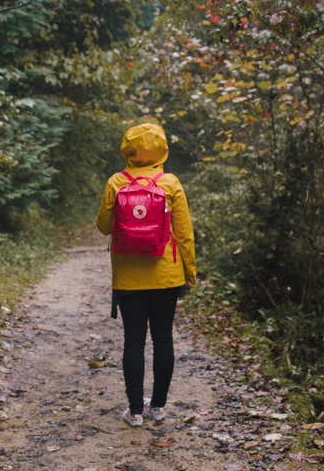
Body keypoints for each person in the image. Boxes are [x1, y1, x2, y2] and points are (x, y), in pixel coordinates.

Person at [95, 123, 197, 427]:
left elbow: (102, 226)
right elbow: (185, 235)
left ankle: (136, 411)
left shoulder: (117, 182)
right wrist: (189, 272)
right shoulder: (170, 183)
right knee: (163, 338)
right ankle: (159, 408)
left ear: (128, 149)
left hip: (128, 277)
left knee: (134, 340)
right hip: (166, 276)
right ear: (162, 148)